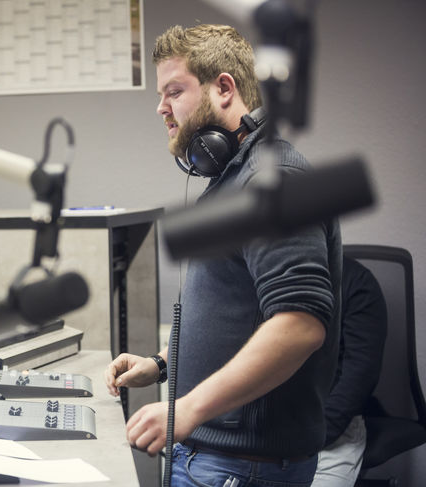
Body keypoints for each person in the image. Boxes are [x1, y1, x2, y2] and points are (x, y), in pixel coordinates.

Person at [104, 24, 342, 486]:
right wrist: (159, 365)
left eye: (174, 91)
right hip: (216, 461)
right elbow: (233, 314)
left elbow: (300, 325)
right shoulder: (233, 179)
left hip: (242, 468)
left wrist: (187, 408)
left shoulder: (272, 181)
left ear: (224, 88)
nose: (161, 108)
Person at [312, 256, 387, 486]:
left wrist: (315, 436)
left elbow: (360, 374)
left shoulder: (356, 282)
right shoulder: (265, 278)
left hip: (328, 429)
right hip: (266, 427)